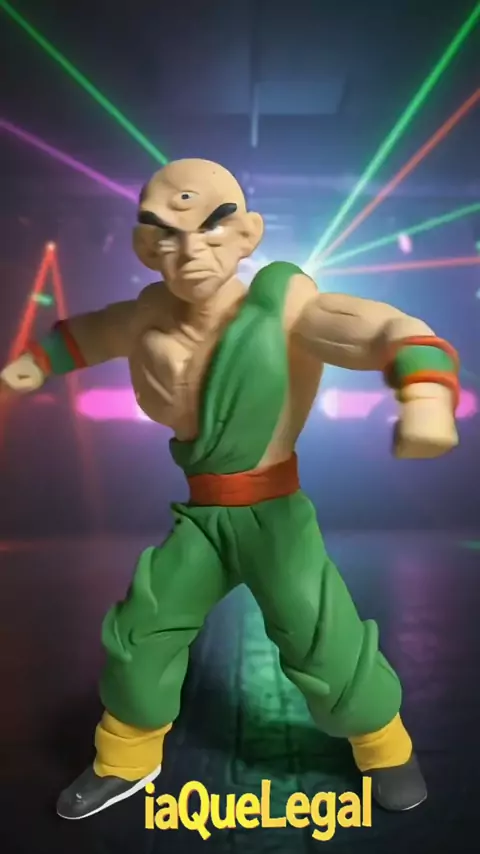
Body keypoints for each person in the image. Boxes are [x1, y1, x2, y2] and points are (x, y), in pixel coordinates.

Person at [1, 159, 460, 820]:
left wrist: (425, 393)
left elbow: (390, 330)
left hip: (274, 514)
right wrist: (35, 363)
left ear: (247, 233)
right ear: (145, 246)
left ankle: (385, 746)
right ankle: (125, 757)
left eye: (211, 226)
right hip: (203, 517)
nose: (190, 249)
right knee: (142, 629)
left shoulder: (284, 305)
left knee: (320, 635)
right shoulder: (150, 314)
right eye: (166, 232)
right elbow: (91, 334)